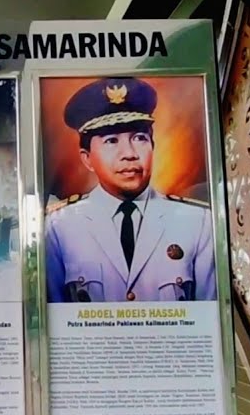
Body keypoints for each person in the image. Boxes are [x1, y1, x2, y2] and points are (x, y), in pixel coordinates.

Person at [44, 77, 217, 304]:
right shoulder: (59, 227)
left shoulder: (198, 222)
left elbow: (208, 320)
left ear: (153, 147)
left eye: (139, 138)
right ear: (87, 159)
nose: (129, 153)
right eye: (111, 141)